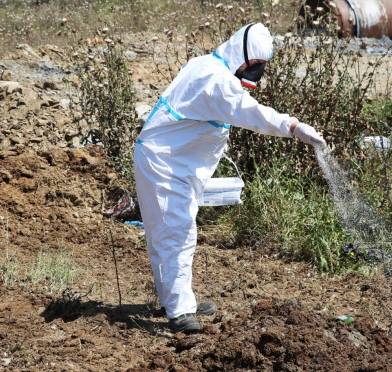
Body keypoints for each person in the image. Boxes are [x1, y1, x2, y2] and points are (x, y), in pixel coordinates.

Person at [134, 23, 325, 332]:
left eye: (260, 68)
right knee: (177, 234)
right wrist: (291, 125)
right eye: (253, 66)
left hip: (173, 163)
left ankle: (176, 301)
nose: (254, 74)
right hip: (164, 164)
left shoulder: (210, 66)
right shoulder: (215, 79)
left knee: (169, 233)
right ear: (241, 53)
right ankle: (180, 311)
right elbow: (248, 112)